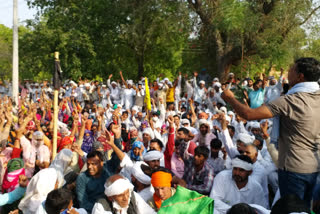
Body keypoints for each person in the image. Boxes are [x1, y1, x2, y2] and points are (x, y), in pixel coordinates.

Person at [222, 57, 320, 205]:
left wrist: (230, 98)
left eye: (292, 69)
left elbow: (249, 114)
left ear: (300, 76)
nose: (288, 72)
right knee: (304, 208)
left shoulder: (290, 101)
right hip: (315, 168)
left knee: (292, 208)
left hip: (293, 169)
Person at [76, 127, 125, 212]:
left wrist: (117, 137)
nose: (90, 167)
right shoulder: (82, 178)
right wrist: (101, 210)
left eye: (94, 164)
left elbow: (117, 157)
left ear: (102, 163)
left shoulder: (108, 168)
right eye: (88, 164)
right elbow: (83, 202)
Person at [148, 169, 214, 213]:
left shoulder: (181, 195)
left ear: (169, 186)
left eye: (162, 188)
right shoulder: (151, 203)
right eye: (156, 189)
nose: (160, 193)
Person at [92, 174, 156, 214]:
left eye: (127, 192)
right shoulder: (101, 206)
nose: (126, 198)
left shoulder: (132, 195)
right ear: (110, 197)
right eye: (120, 195)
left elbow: (149, 212)